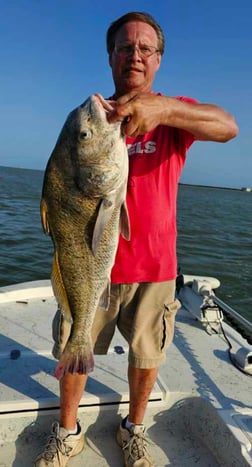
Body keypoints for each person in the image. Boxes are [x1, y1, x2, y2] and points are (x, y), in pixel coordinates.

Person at [35, 11, 238, 467]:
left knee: (147, 357)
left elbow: (228, 127)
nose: (135, 56)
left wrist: (163, 109)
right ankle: (67, 431)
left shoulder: (172, 115)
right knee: (74, 346)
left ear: (158, 60)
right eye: (126, 47)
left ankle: (134, 429)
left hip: (155, 269)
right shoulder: (91, 120)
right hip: (89, 266)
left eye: (146, 49)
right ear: (110, 57)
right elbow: (60, 189)